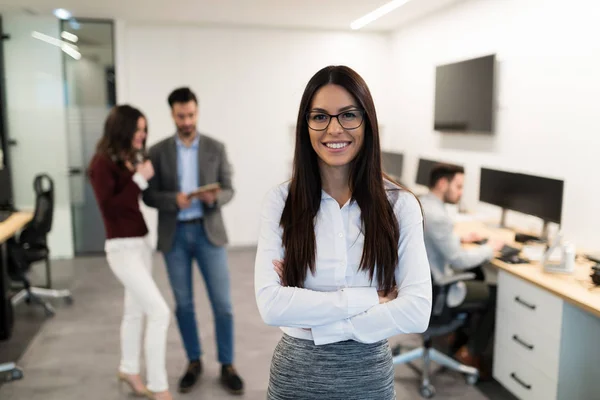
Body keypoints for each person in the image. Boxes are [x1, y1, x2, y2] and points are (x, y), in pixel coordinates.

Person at [254, 65, 433, 400]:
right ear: (305, 125)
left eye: (348, 115)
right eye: (320, 116)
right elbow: (272, 306)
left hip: (368, 378)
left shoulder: (400, 206)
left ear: (367, 121)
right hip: (296, 377)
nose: (334, 129)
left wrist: (319, 320)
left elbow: (417, 311)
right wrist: (371, 299)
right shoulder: (280, 202)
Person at [143, 87, 243, 395]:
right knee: (184, 305)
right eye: (180, 116)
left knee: (223, 305)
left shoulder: (216, 147)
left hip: (207, 231)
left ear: (197, 112)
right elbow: (147, 195)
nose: (186, 121)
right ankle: (194, 361)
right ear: (172, 114)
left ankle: (227, 364)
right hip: (175, 235)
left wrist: (215, 197)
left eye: (191, 114)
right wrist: (173, 199)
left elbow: (229, 188)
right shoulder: (157, 152)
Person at [88, 105, 172, 400]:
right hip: (121, 249)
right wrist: (138, 179)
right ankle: (159, 388)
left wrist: (138, 176)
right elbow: (109, 207)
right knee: (160, 312)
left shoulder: (128, 159)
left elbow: (132, 202)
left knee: (135, 311)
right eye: (137, 129)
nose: (143, 135)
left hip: (140, 243)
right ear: (122, 129)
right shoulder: (101, 164)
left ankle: (129, 369)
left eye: (144, 129)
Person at [419, 164, 504, 372]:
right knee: (494, 294)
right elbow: (459, 261)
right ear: (442, 183)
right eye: (458, 186)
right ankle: (471, 353)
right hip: (437, 288)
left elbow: (434, 241)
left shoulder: (422, 203)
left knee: (476, 276)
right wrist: (489, 249)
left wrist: (459, 238)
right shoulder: (438, 216)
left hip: (421, 284)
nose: (461, 192)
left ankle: (454, 339)